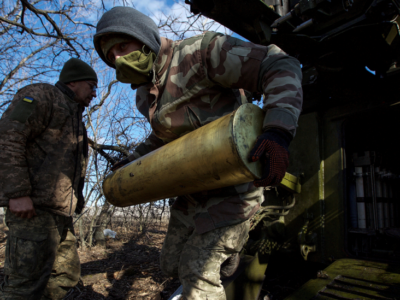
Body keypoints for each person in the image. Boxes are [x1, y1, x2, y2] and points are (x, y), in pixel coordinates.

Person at [94, 6, 302, 300]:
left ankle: (226, 248)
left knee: (197, 271)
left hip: (234, 185)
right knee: (170, 265)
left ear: (143, 39)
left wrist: (278, 130)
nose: (117, 58)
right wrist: (132, 159)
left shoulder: (200, 52)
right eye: (110, 55)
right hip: (192, 191)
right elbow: (164, 137)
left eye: (122, 46)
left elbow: (279, 64)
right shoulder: (144, 95)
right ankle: (229, 257)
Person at [0, 58, 97, 300]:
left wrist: (76, 202)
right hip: (32, 212)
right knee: (24, 287)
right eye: (91, 86)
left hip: (61, 217)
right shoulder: (42, 96)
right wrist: (18, 192)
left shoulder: (75, 117)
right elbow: (8, 136)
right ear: (73, 81)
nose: (94, 93)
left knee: (63, 281)